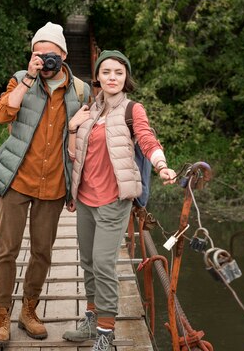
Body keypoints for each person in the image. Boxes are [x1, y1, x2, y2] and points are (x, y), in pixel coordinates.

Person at [62, 50, 177, 350]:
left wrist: (162, 165)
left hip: (114, 199)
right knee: (87, 260)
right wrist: (74, 127)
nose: (112, 77)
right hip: (85, 198)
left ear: (126, 78)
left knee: (102, 262)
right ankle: (90, 319)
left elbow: (147, 138)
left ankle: (105, 331)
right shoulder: (90, 109)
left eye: (119, 73)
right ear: (97, 77)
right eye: (107, 72)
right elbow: (75, 156)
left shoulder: (132, 110)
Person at [0, 21, 91, 346]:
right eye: (37, 52)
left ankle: (29, 311)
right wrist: (28, 78)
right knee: (7, 251)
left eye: (49, 53)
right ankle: (2, 316)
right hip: (18, 180)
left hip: (55, 184)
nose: (43, 58)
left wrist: (78, 186)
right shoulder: (21, 79)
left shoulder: (81, 90)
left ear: (63, 54)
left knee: (43, 252)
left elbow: (86, 141)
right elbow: (2, 115)